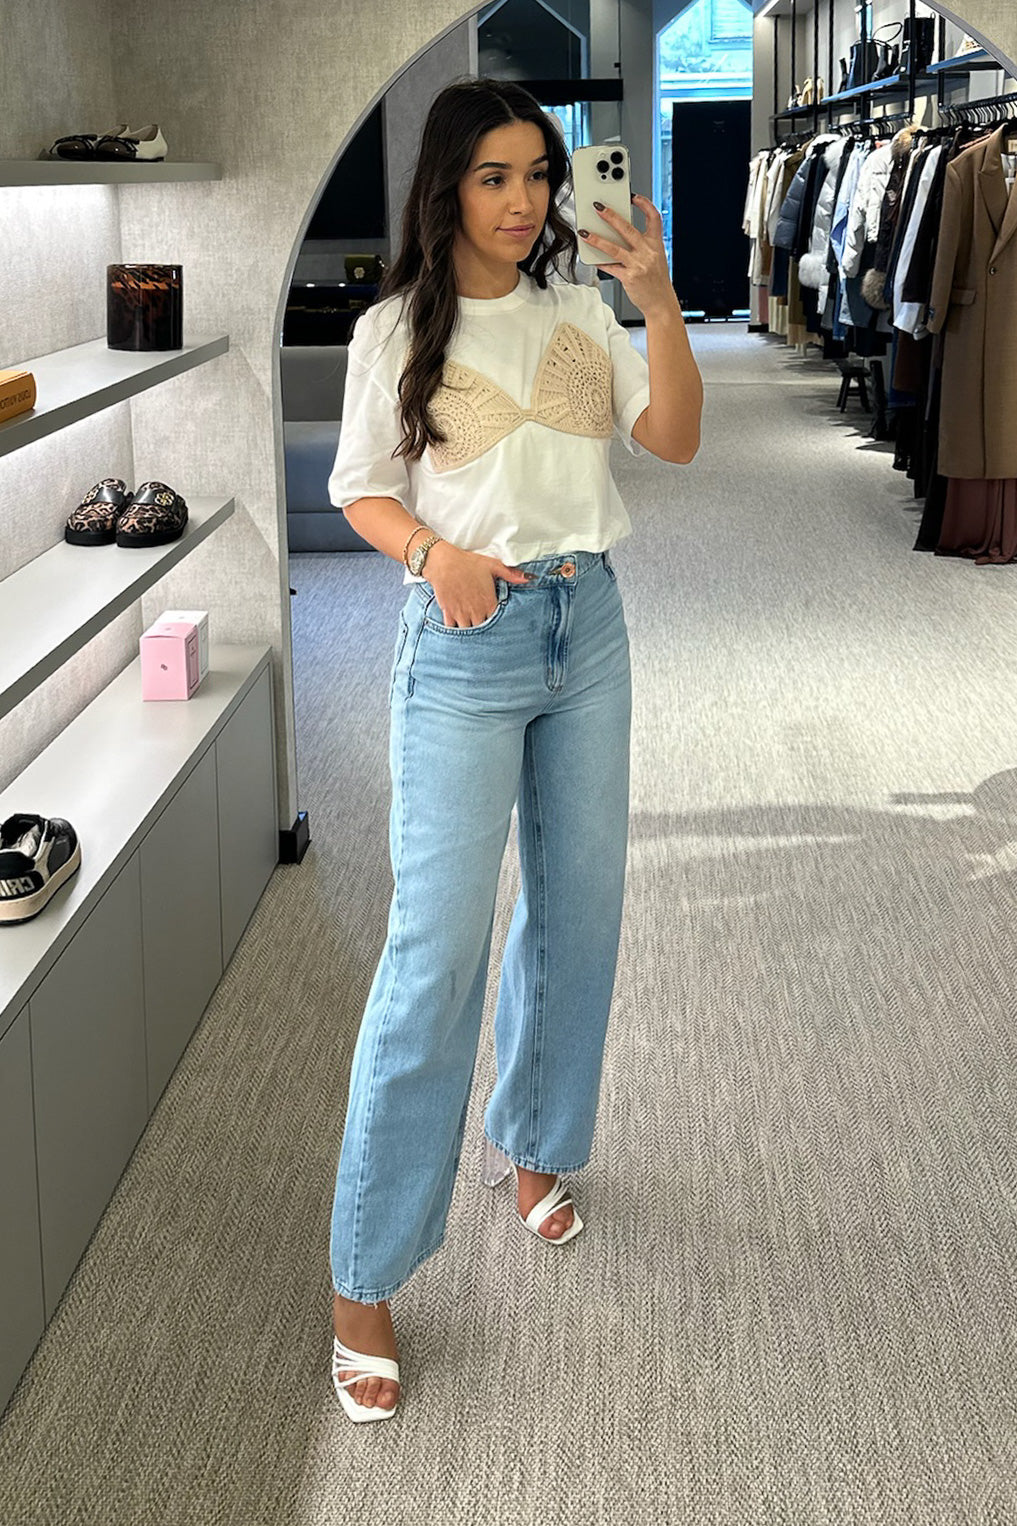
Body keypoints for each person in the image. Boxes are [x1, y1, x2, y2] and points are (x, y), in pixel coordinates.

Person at [325, 75, 703, 1423]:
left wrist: (658, 297)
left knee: (578, 912)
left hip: (585, 628)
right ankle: (363, 1279)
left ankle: (536, 1146)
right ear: (447, 187)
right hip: (463, 643)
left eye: (539, 174)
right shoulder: (392, 329)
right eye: (494, 175)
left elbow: (673, 439)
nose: (525, 200)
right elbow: (361, 488)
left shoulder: (578, 309)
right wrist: (433, 554)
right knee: (434, 952)